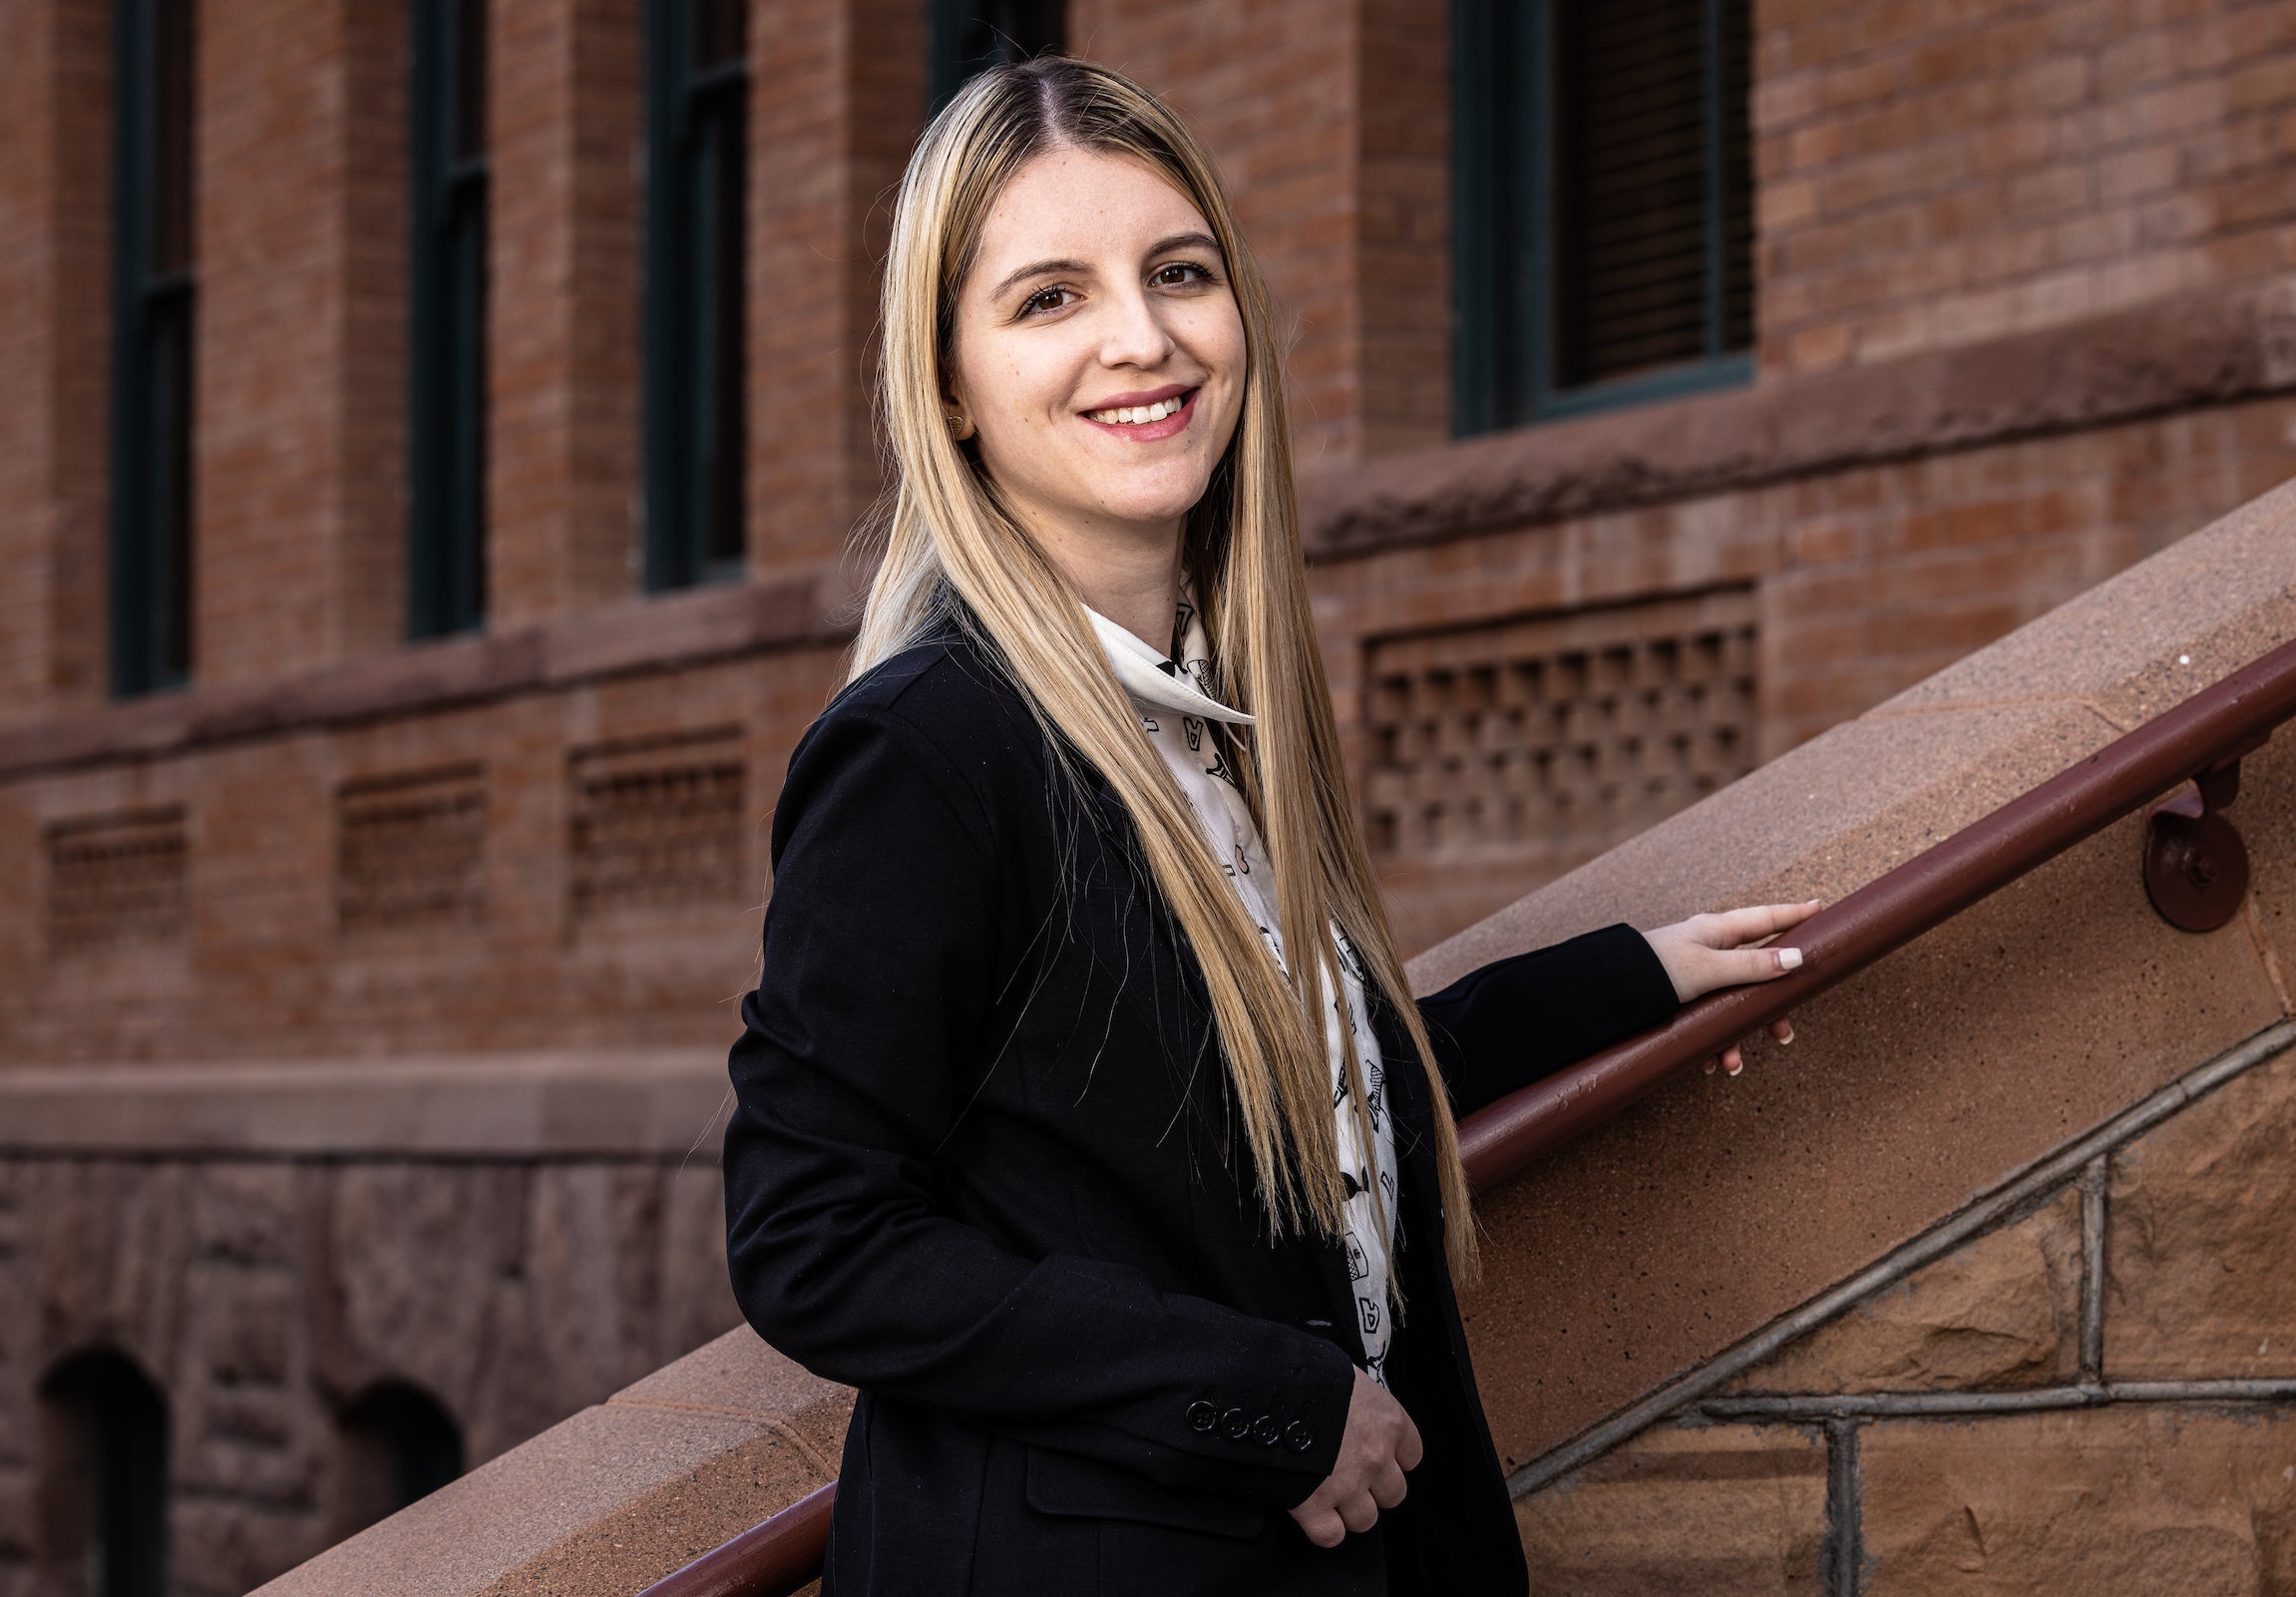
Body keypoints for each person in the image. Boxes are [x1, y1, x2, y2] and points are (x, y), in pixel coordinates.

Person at [722, 56, 1818, 1596]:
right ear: (951, 386)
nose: (1144, 337)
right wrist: (1276, 1407)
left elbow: (1276, 1088)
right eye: (1050, 298)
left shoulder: (1217, 713)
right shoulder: (927, 749)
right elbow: (810, 1234)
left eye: (1180, 272)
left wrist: (1628, 976)